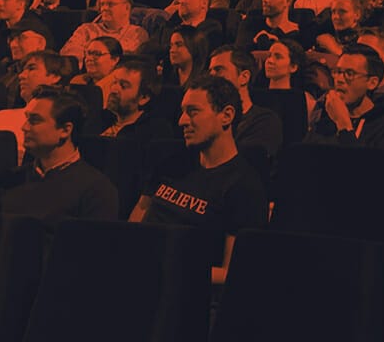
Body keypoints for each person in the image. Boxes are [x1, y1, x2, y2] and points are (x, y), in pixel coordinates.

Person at [130, 75, 269, 279]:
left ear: (226, 116)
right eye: (183, 112)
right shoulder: (171, 162)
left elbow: (231, 273)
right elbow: (138, 217)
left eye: (193, 112)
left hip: (181, 290)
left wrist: (170, 270)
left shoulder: (244, 186)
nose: (182, 121)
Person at [0, 87, 120, 222]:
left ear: (65, 130)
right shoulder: (10, 180)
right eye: (27, 119)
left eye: (35, 120)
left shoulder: (96, 191)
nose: (24, 127)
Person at [305, 43, 384, 150]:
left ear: (372, 83)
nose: (339, 79)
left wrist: (344, 126)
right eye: (337, 72)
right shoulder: (325, 119)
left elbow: (362, 166)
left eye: (349, 74)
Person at [207, 45, 282, 165]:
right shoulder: (206, 118)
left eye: (219, 70)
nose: (211, 76)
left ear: (244, 77)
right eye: (210, 71)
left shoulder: (264, 121)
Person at [59, 0, 149, 59]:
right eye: (102, 4)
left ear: (126, 8)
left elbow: (133, 64)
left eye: (110, 4)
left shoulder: (137, 34)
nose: (104, 8)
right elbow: (69, 55)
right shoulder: (86, 29)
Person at [98, 57, 171, 143]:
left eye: (123, 86)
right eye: (114, 82)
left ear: (144, 98)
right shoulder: (99, 120)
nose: (114, 89)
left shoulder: (155, 131)